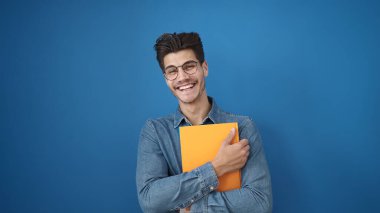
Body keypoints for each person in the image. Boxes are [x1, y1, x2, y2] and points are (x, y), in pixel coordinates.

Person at [136, 32, 272, 213]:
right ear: (166, 79)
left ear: (204, 68)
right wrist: (216, 167)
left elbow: (260, 203)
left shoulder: (243, 126)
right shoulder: (155, 131)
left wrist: (192, 207)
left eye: (189, 66)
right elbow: (150, 200)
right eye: (172, 71)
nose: (182, 77)